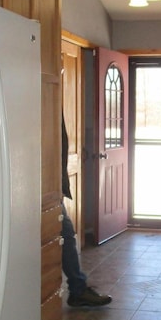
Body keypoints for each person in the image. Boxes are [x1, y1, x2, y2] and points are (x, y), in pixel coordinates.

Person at [61, 116, 111, 307]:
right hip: (46, 189)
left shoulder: (51, 106)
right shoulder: (45, 106)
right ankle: (78, 289)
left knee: (66, 237)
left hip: (51, 188)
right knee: (66, 236)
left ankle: (77, 288)